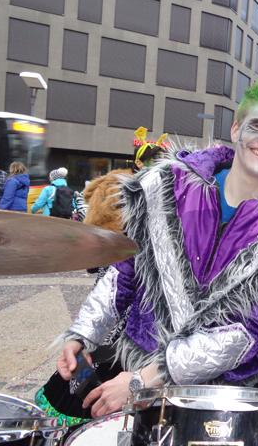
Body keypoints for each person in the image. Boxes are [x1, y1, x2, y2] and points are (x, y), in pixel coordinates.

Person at [55, 78, 258, 418]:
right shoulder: (166, 186)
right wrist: (82, 335)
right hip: (136, 383)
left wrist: (144, 379)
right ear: (236, 129)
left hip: (227, 403)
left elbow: (250, 330)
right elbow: (124, 272)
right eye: (257, 125)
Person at [33, 129, 168, 427]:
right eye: (153, 161)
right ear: (139, 162)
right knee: (91, 386)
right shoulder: (115, 188)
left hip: (148, 313)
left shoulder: (172, 197)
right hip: (119, 288)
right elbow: (101, 251)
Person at [82, 127, 168, 232]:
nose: (160, 167)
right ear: (139, 163)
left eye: (163, 163)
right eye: (156, 161)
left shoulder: (158, 188)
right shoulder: (115, 185)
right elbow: (101, 222)